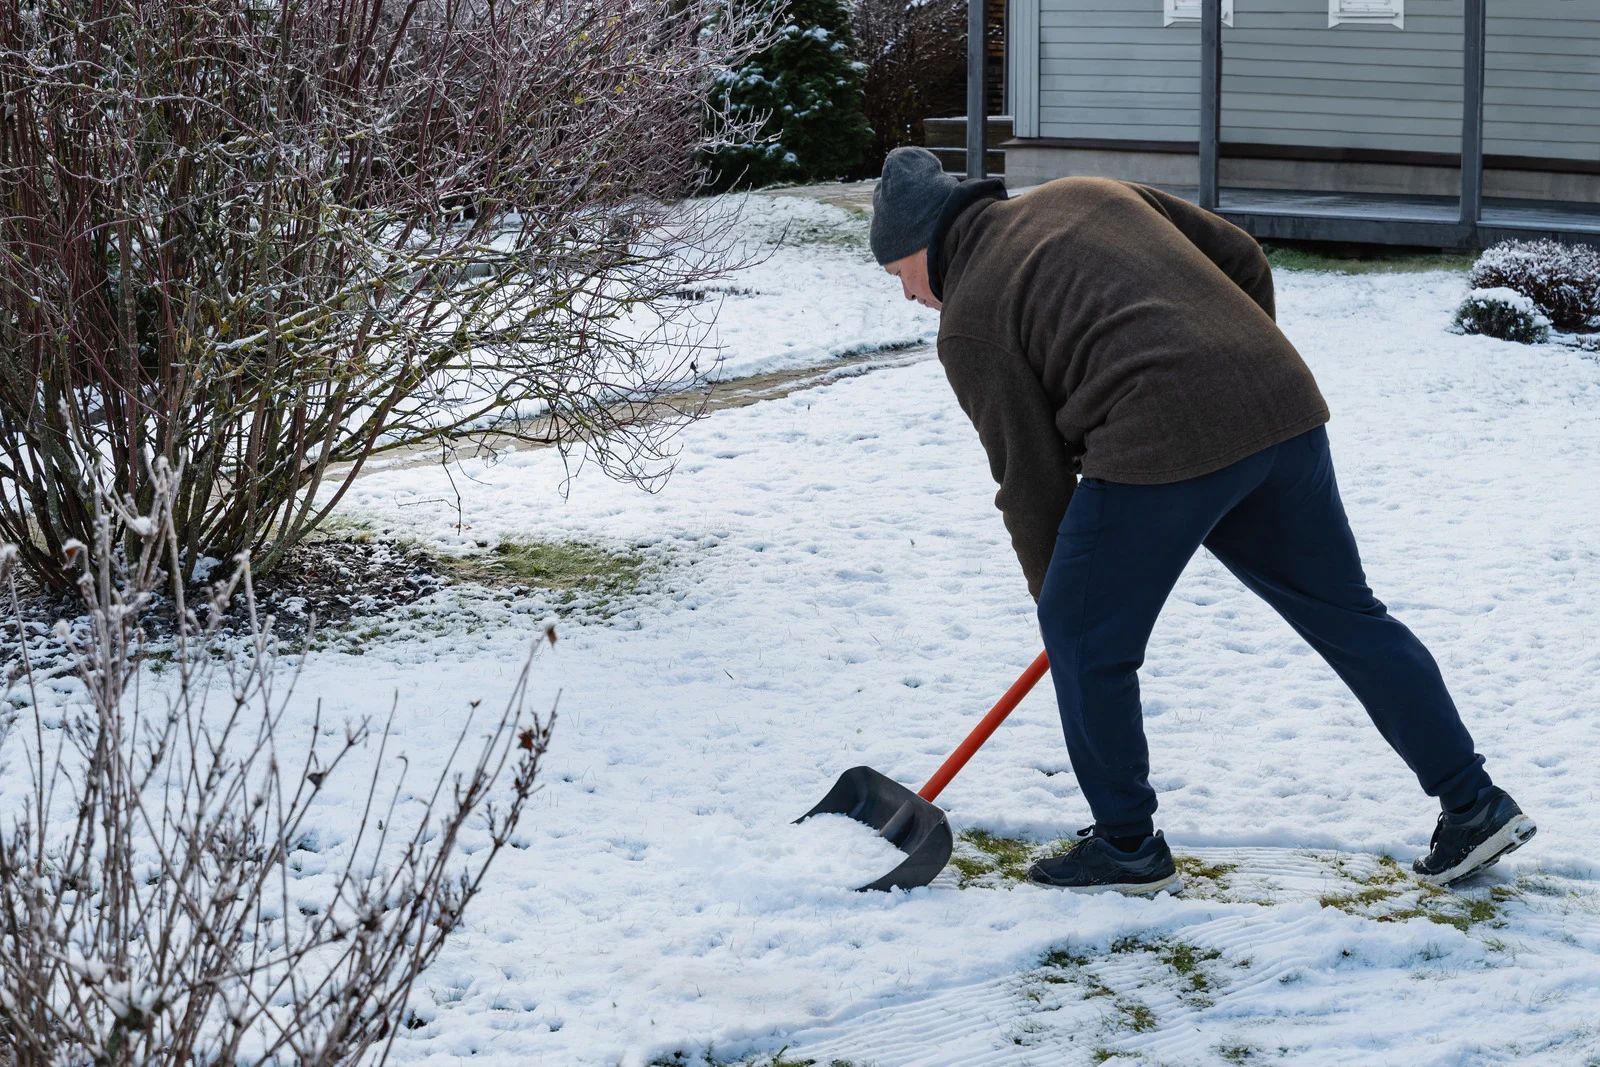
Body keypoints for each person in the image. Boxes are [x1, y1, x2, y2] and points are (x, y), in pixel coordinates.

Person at [870, 146, 1536, 896]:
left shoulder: (970, 321)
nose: (907, 296)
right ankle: (1474, 802)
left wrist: (1067, 608)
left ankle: (1126, 847)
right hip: (1279, 408)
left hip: (1163, 437)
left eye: (899, 275)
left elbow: (1029, 481)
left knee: (1087, 639)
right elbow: (1242, 256)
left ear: (924, 244)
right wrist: (1238, 375)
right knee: (1346, 612)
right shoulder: (1086, 191)